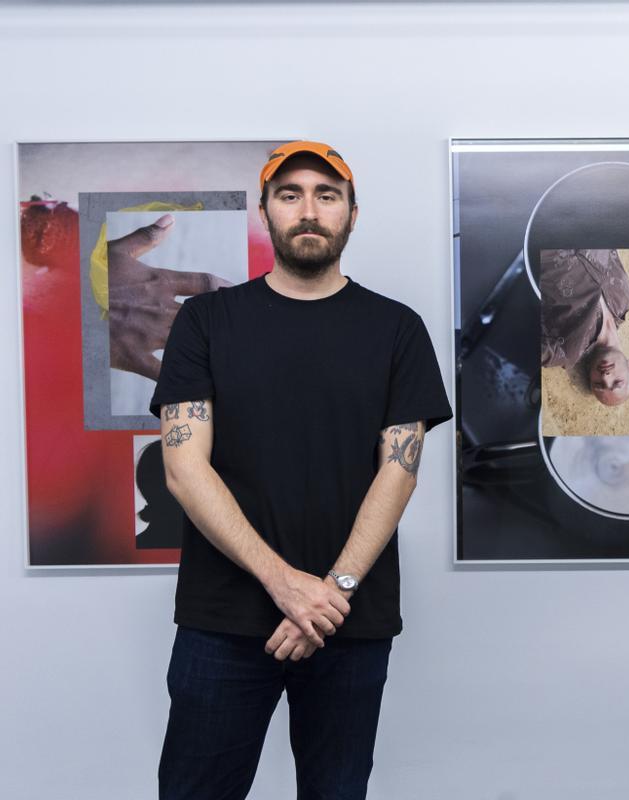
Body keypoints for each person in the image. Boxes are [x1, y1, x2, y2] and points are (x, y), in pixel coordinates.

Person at [151, 140, 452, 800]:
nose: (308, 210)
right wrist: (286, 584)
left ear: (352, 212)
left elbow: (398, 471)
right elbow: (183, 468)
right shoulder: (206, 322)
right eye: (290, 195)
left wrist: (331, 591)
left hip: (349, 621)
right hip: (223, 621)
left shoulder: (397, 329)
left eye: (326, 194)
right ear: (265, 212)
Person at [539, 247, 629, 406]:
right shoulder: (626, 296)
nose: (606, 377)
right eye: (617, 382)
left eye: (598, 384)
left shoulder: (563, 351)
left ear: (590, 376)